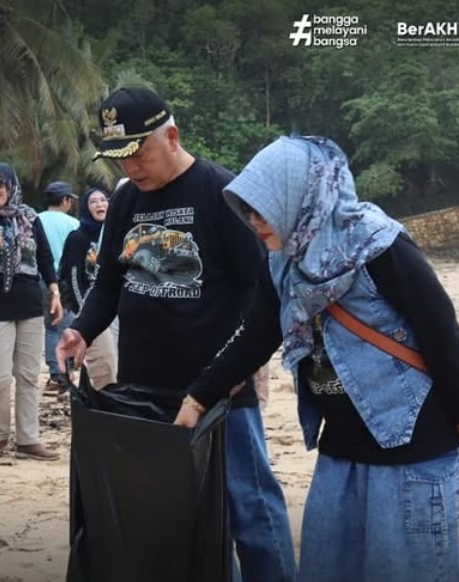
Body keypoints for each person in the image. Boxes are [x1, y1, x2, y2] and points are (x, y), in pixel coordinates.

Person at [176, 135, 459, 582]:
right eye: (247, 209)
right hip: (341, 447)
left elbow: (440, 328)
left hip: (412, 443)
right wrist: (199, 397)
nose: (253, 220)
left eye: (263, 207)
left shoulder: (378, 245)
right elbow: (257, 336)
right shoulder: (283, 261)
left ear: (301, 196)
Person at [56, 87, 296, 581]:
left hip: (217, 392)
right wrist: (81, 330)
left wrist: (234, 371)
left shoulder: (222, 193)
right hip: (144, 392)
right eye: (120, 160)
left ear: (172, 135)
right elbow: (109, 283)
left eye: (139, 154)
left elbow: (262, 293)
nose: (132, 170)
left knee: (249, 507)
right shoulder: (125, 201)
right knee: (181, 515)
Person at [0, 162, 63, 461]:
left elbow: (44, 258)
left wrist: (55, 292)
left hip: (30, 306)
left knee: (29, 376)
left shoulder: (30, 218)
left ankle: (28, 439)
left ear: (12, 186)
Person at [57, 186, 117, 390]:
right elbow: (73, 278)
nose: (100, 204)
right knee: (104, 364)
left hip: (116, 310)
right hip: (90, 310)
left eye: (103, 200)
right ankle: (104, 411)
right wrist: (86, 314)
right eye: (93, 201)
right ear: (85, 207)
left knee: (117, 365)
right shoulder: (78, 238)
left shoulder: (115, 234)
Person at [37, 181, 80, 393]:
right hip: (66, 281)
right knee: (68, 325)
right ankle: (65, 372)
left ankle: (55, 374)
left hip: (42, 279)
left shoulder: (36, 220)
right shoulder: (73, 224)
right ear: (65, 200)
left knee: (50, 326)